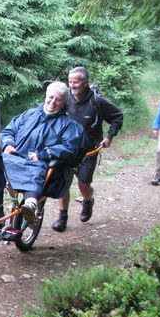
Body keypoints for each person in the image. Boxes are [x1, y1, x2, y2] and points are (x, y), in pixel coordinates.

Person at [52, 67, 123, 232]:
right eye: (70, 82)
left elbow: (117, 116)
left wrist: (110, 136)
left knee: (83, 185)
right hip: (67, 149)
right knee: (64, 183)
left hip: (89, 149)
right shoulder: (66, 98)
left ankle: (88, 200)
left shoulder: (97, 101)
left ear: (85, 82)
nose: (72, 85)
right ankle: (62, 217)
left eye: (75, 82)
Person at [0, 82, 84, 222]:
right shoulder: (28, 114)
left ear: (64, 102)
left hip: (41, 164)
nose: (53, 102)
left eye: (58, 100)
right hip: (16, 157)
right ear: (45, 96)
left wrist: (44, 154)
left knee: (37, 168)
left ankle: (31, 203)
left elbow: (70, 147)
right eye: (51, 97)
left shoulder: (68, 125)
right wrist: (7, 144)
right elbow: (8, 131)